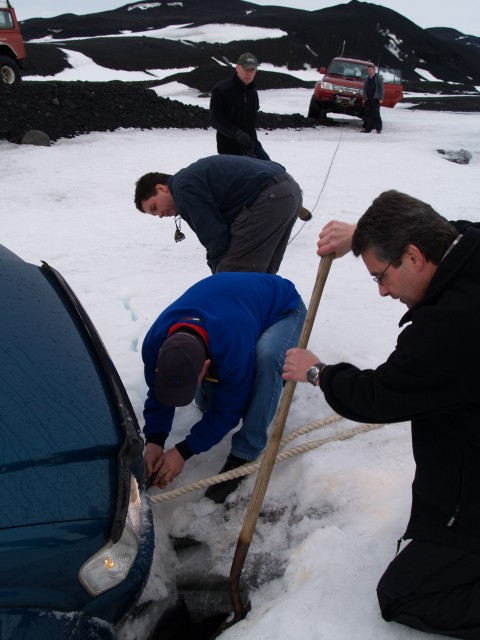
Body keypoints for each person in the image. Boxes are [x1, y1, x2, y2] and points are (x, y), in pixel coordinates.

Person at [283, 190, 480, 639]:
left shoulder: (448, 330)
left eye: (381, 276)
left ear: (413, 256)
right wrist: (362, 237)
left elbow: (379, 395)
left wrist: (317, 372)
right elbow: (441, 227)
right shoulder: (468, 244)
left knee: (406, 594)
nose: (383, 290)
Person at [142, 271, 306, 503]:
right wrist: (154, 440)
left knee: (266, 359)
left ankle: (245, 452)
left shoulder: (231, 344)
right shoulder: (153, 343)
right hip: (237, 305)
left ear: (206, 365)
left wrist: (183, 452)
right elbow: (158, 393)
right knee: (207, 403)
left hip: (284, 309)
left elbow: (229, 411)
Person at [134, 154, 308, 274]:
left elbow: (215, 237)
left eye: (154, 207)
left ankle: (240, 324)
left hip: (271, 197)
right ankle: (264, 317)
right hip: (289, 190)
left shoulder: (183, 190)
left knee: (230, 273)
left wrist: (216, 270)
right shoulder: (189, 181)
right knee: (262, 272)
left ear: (161, 188)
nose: (160, 215)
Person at [209, 52, 270, 160]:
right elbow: (215, 119)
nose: (249, 73)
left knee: (271, 170)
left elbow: (251, 119)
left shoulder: (253, 92)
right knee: (240, 176)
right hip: (229, 148)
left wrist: (251, 141)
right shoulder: (221, 89)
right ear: (237, 67)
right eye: (246, 69)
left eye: (252, 70)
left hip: (251, 145)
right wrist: (237, 134)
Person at [361, 63, 384, 133]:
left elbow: (381, 89)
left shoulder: (378, 78)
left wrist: (381, 98)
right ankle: (368, 129)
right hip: (368, 99)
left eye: (371, 69)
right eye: (369, 70)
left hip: (375, 99)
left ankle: (379, 128)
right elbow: (364, 88)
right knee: (368, 114)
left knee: (376, 114)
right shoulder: (367, 79)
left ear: (374, 70)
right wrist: (364, 98)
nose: (370, 71)